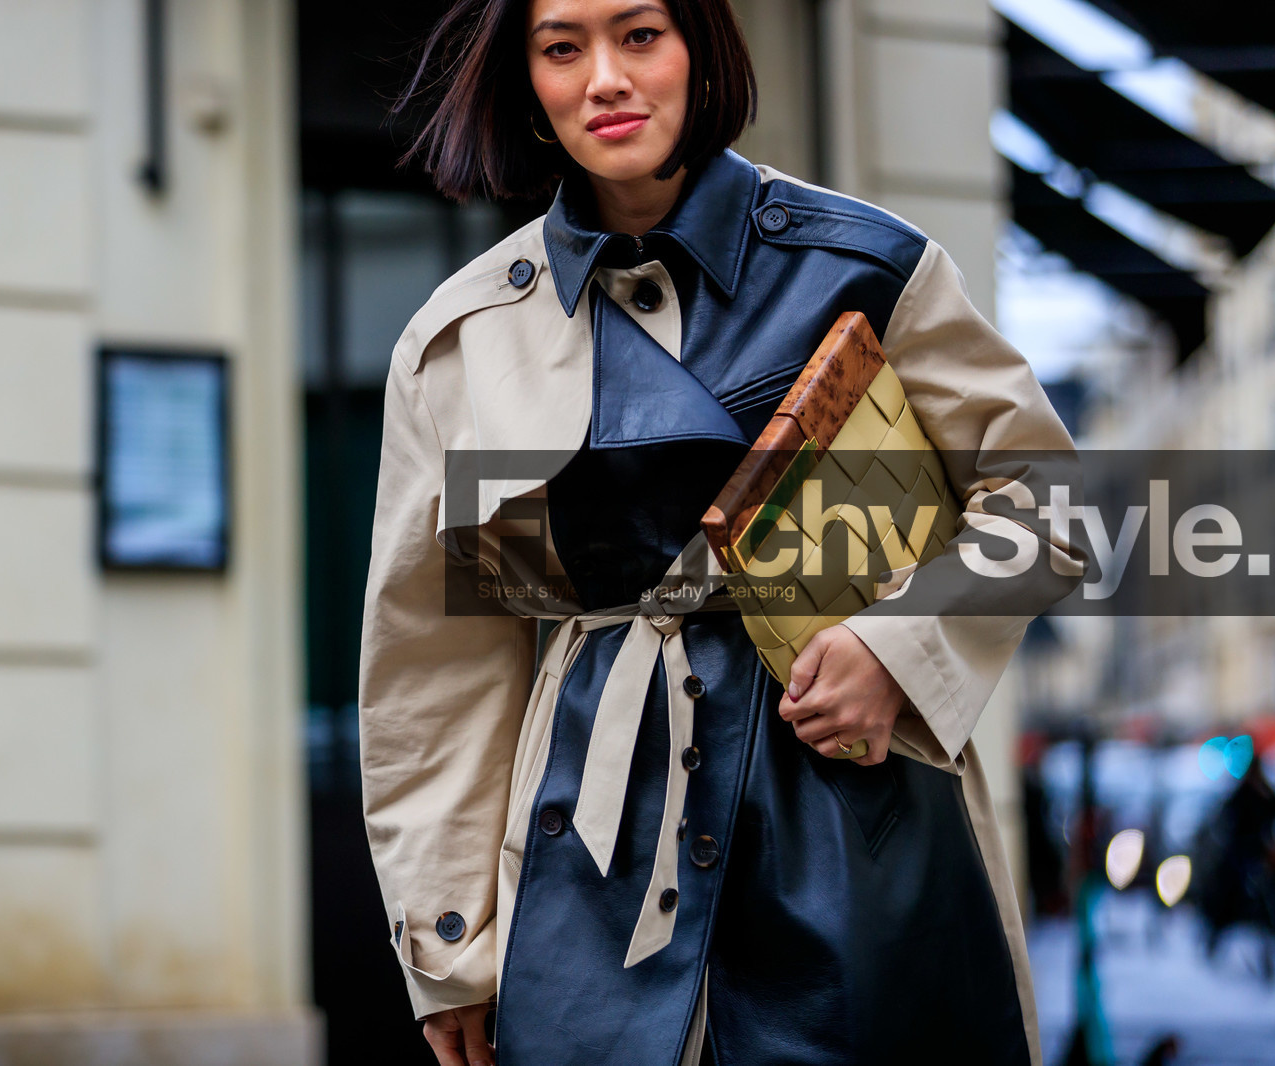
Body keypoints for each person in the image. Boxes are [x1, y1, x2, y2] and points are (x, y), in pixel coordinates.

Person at [356, 1, 1088, 1064]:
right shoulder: (468, 343)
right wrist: (449, 942)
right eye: (562, 48)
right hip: (585, 865)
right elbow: (441, 665)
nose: (604, 77)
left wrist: (899, 645)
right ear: (528, 83)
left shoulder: (866, 268)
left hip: (848, 824)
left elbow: (1046, 502)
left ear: (702, 50)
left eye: (639, 35)